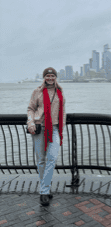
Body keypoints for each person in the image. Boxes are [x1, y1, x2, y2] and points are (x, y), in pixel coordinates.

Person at [27, 68, 66, 206]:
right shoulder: (37, 91)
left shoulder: (59, 92)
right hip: (39, 128)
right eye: (47, 76)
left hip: (55, 129)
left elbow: (63, 112)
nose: (50, 78)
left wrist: (62, 128)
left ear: (55, 77)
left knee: (52, 158)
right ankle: (46, 189)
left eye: (52, 76)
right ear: (44, 77)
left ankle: (44, 190)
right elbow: (30, 109)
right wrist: (30, 122)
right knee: (41, 160)